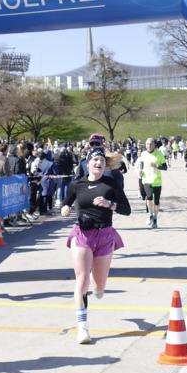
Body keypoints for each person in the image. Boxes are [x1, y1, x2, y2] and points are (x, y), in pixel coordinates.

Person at [60, 146, 131, 344]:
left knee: (99, 286)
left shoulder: (111, 184)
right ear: (87, 163)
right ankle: (82, 327)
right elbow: (66, 202)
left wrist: (110, 204)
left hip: (105, 235)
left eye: (101, 160)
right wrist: (65, 208)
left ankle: (98, 286)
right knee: (82, 280)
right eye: (95, 160)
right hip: (82, 234)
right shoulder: (77, 184)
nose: (98, 163)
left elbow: (127, 210)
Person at [137, 137, 167, 228]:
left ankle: (155, 218)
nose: (149, 146)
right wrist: (140, 170)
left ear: (154, 145)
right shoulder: (143, 153)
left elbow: (165, 167)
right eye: (147, 144)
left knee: (156, 202)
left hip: (157, 181)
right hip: (146, 180)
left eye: (151, 144)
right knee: (149, 197)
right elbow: (141, 163)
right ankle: (150, 214)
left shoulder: (159, 154)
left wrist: (157, 166)